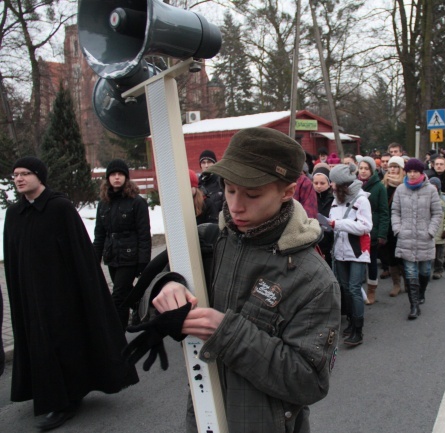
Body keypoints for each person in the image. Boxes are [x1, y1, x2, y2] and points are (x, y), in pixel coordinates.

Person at [139, 128, 340, 433]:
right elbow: (144, 301)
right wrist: (168, 286)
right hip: (202, 419)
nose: (235, 206)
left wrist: (227, 333)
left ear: (287, 192)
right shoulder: (209, 241)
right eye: (230, 189)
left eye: (253, 194)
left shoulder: (313, 277)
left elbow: (310, 382)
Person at [4, 157, 138, 431]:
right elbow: (13, 257)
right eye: (16, 174)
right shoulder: (14, 214)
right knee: (38, 343)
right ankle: (50, 393)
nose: (19, 178)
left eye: (25, 173)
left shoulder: (59, 208)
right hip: (30, 296)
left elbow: (80, 255)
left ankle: (66, 400)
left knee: (62, 342)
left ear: (40, 176)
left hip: (61, 295)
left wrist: (85, 292)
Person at [94, 159, 152, 329]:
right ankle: (143, 307)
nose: (117, 178)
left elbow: (144, 233)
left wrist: (143, 261)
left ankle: (118, 339)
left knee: (118, 297)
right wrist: (94, 259)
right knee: (126, 294)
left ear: (126, 178)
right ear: (108, 178)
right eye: (113, 174)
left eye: (120, 174)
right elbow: (99, 234)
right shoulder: (104, 203)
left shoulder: (136, 202)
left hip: (130, 256)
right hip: (112, 256)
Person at [327, 163, 372, 346]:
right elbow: (333, 221)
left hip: (357, 251)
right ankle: (352, 323)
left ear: (342, 184)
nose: (331, 185)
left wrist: (337, 224)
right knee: (345, 289)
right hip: (340, 251)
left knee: (354, 289)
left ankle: (358, 331)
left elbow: (365, 227)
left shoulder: (362, 200)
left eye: (333, 183)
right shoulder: (336, 198)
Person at [391, 158, 442, 320]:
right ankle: (414, 305)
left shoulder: (431, 191)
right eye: (409, 171)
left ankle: (422, 292)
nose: (412, 175)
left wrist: (430, 231)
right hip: (405, 237)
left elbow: (437, 213)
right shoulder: (400, 190)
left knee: (425, 271)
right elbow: (395, 211)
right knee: (410, 272)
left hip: (424, 237)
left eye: (416, 172)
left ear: (421, 173)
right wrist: (398, 229)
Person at [357, 157, 389, 305]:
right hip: (356, 229)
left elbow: (383, 212)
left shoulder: (379, 187)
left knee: (371, 263)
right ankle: (357, 290)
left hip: (372, 231)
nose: (363, 171)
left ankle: (371, 290)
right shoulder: (354, 185)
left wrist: (382, 233)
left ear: (372, 170)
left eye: (366, 168)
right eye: (361, 168)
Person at [380, 156, 406, 297]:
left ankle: (408, 281)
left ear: (401, 169)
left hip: (402, 225)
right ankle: (396, 284)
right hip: (387, 225)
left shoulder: (406, 184)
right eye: (391, 166)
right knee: (391, 256)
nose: (393, 169)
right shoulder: (383, 184)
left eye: (396, 167)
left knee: (403, 255)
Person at [429, 177, 445, 282]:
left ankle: (438, 270)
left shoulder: (444, 200)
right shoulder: (425, 199)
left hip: (440, 234)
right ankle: (426, 272)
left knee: (439, 256)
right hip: (429, 234)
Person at [312, 165, 334, 267]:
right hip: (314, 240)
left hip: (329, 240)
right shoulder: (309, 199)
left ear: (329, 184)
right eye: (316, 183)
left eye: (322, 183)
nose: (319, 186)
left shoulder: (333, 199)